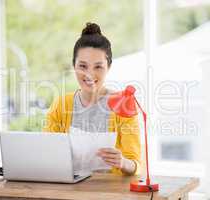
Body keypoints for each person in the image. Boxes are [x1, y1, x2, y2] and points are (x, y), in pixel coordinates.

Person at [43, 22, 141, 175]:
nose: (89, 74)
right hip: (68, 192)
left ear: (108, 67)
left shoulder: (123, 104)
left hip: (110, 194)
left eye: (98, 67)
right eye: (83, 66)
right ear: (73, 65)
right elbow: (47, 153)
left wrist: (123, 162)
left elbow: (136, 165)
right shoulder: (60, 105)